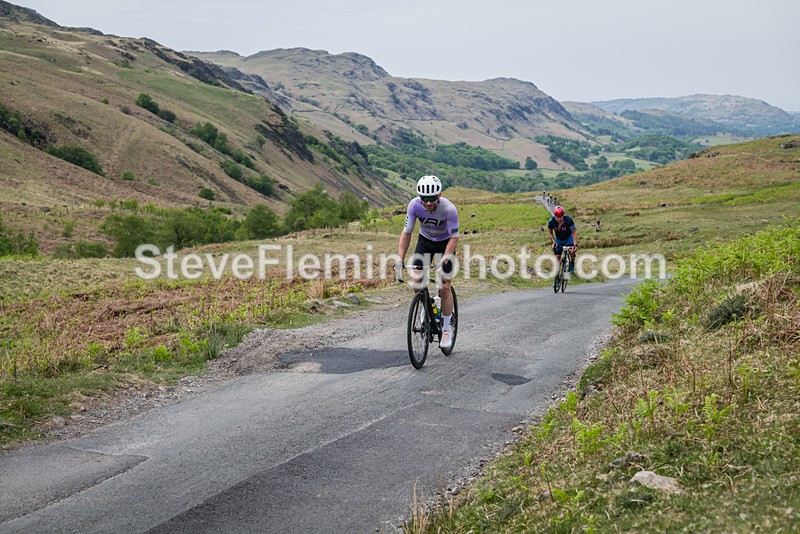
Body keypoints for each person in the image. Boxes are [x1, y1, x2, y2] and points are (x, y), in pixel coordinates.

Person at [397, 175, 459, 349]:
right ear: (420, 197)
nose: (429, 203)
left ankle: (446, 329)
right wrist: (399, 259)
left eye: (432, 198)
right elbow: (407, 233)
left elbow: (455, 238)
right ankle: (427, 303)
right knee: (416, 280)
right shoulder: (414, 205)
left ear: (439, 196)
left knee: (444, 286)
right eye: (425, 199)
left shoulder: (449, 209)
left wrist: (444, 260)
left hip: (445, 243)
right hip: (425, 241)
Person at [547, 206, 578, 285]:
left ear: (563, 215)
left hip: (568, 238)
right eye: (557, 217)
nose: (559, 219)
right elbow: (550, 233)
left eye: (561, 217)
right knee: (557, 257)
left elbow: (574, 232)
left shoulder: (568, 220)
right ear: (555, 216)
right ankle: (556, 278)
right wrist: (553, 242)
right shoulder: (551, 221)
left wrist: (575, 244)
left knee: (571, 251)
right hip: (559, 239)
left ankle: (572, 262)